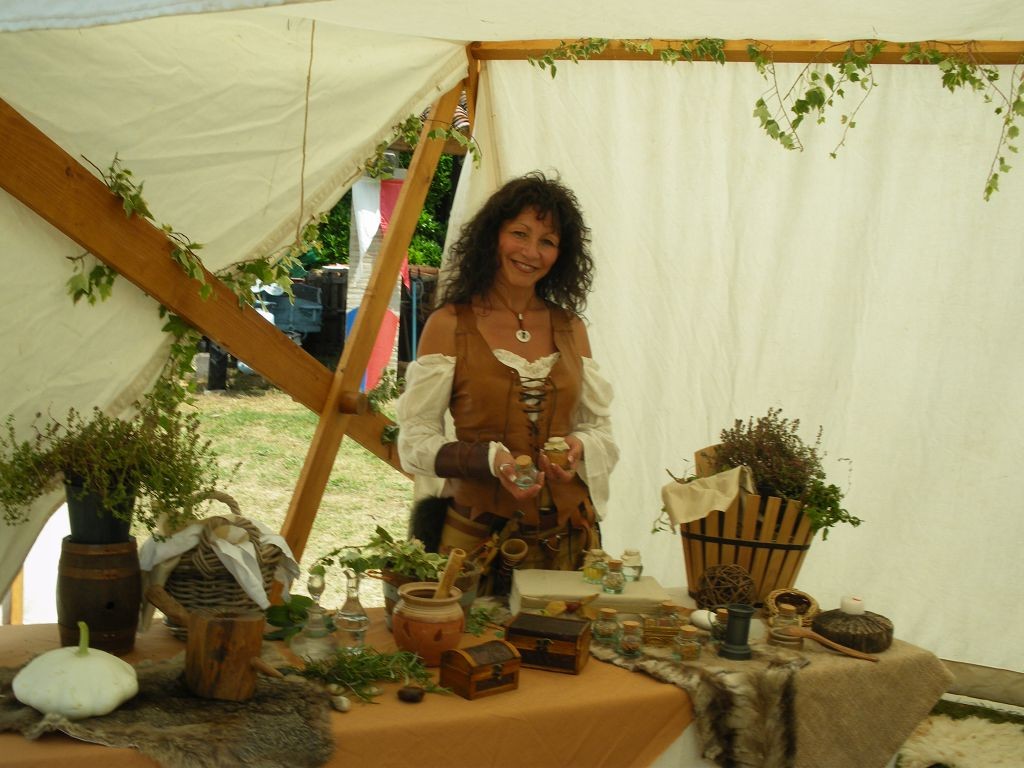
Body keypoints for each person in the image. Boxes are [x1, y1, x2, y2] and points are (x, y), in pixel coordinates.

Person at [396, 172, 618, 593]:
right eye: (520, 233)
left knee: (565, 631)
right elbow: (415, 441)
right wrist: (491, 460)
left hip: (570, 537)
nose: (531, 252)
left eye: (547, 241)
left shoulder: (571, 327)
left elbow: (599, 429)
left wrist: (579, 447)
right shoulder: (450, 324)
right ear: (493, 236)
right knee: (473, 634)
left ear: (561, 254)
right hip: (476, 540)